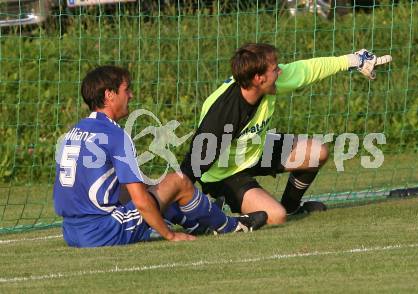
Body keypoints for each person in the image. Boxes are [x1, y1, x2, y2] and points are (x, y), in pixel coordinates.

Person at [53, 65, 267, 248]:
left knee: (142, 185)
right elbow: (141, 202)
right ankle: (231, 226)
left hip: (72, 232)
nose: (131, 96)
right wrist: (170, 235)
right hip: (105, 231)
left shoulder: (74, 133)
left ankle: (195, 221)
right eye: (126, 90)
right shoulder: (115, 135)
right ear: (110, 95)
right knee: (179, 181)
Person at [180, 43, 392, 225]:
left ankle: (291, 207)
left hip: (254, 150)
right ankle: (221, 214)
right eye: (275, 69)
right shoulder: (224, 112)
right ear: (259, 78)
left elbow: (307, 69)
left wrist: (353, 60)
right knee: (275, 216)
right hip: (223, 171)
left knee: (317, 152)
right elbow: (197, 160)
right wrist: (179, 200)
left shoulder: (264, 80)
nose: (280, 72)